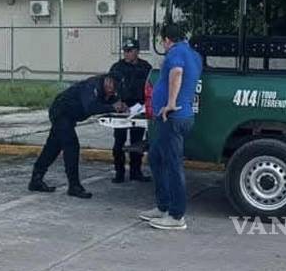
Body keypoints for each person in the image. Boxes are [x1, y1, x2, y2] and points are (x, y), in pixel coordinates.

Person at [139, 24, 202, 230]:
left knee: (173, 165)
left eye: (162, 41)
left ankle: (176, 216)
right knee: (156, 157)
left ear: (167, 40)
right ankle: (163, 206)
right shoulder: (194, 55)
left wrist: (171, 103)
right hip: (181, 117)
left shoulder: (175, 53)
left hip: (173, 117)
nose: (163, 45)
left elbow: (176, 73)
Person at [28, 74, 126, 199]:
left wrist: (119, 105)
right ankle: (74, 186)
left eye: (115, 89)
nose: (112, 90)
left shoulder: (107, 90)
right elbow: (90, 107)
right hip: (61, 112)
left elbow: (107, 102)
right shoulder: (92, 86)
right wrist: (112, 107)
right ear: (107, 80)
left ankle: (36, 180)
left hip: (69, 116)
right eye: (112, 86)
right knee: (71, 146)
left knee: (52, 147)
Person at [109, 38, 152, 183]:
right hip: (122, 109)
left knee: (137, 142)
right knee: (119, 142)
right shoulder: (117, 68)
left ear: (137, 51)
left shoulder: (145, 67)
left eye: (130, 51)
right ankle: (119, 173)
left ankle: (136, 171)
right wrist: (116, 102)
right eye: (125, 51)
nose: (127, 54)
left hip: (139, 108)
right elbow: (109, 87)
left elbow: (150, 86)